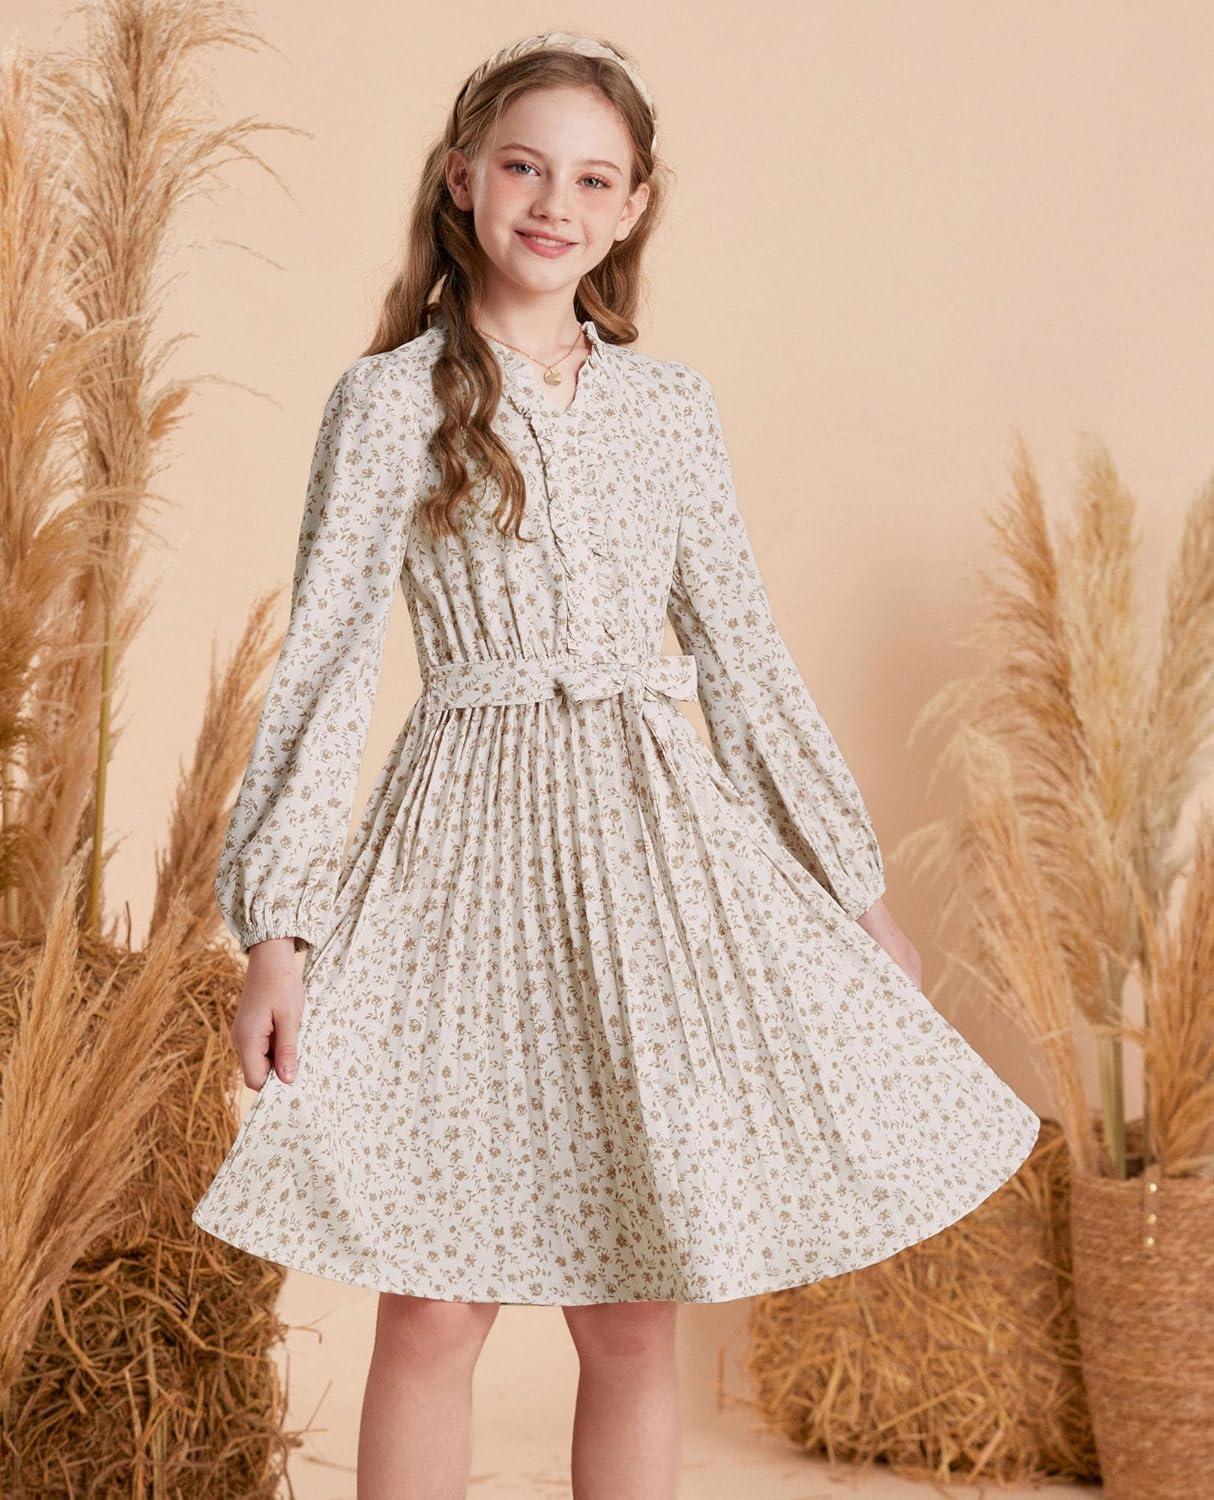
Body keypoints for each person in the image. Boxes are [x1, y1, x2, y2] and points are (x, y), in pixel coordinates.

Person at [191, 30, 1041, 1500]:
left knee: (633, 1306)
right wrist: (278, 932)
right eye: (525, 166)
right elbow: (323, 671)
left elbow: (742, 652)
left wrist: (850, 888)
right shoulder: (388, 402)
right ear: (461, 178)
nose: (555, 202)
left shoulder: (669, 407)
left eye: (595, 178)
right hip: (458, 863)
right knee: (434, 1299)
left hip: (648, 859)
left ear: (636, 205)